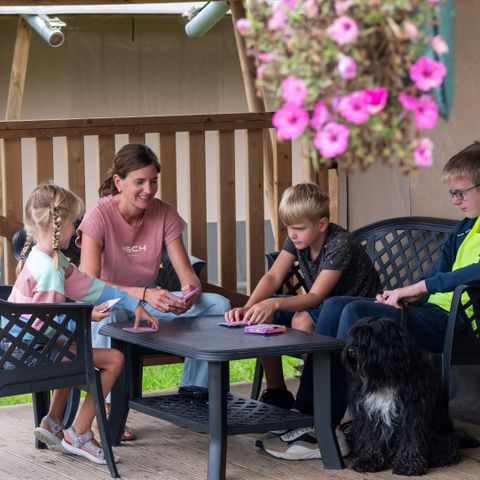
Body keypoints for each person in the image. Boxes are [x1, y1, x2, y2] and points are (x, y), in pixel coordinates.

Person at [261, 141, 480, 461]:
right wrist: (400, 300)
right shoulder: (462, 230)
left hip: (456, 323)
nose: (456, 201)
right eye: (453, 194)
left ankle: (326, 426)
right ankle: (309, 415)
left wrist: (416, 288)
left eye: (462, 192)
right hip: (430, 313)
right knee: (337, 306)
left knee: (353, 310)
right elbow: (435, 278)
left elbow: (468, 273)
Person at [76, 143, 230, 435]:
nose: (149, 189)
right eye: (140, 182)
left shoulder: (164, 214)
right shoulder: (99, 215)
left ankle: (194, 393)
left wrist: (189, 294)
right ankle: (109, 407)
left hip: (145, 307)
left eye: (153, 181)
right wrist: (143, 293)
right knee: (105, 313)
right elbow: (89, 283)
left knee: (218, 305)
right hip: (109, 303)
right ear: (119, 182)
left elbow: (189, 276)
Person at [7, 182, 159, 465]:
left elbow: (91, 288)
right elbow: (48, 321)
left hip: (22, 349)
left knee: (75, 350)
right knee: (113, 359)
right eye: (74, 222)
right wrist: (86, 315)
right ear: (60, 224)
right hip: (33, 354)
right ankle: (78, 433)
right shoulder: (51, 270)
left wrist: (131, 302)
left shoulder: (45, 259)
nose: (76, 229)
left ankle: (52, 421)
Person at [225, 182, 379, 409]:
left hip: (354, 314)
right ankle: (277, 392)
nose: (292, 234)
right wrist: (249, 307)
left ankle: (315, 398)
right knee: (260, 315)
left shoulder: (340, 244)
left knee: (302, 319)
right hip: (324, 307)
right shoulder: (298, 238)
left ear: (322, 224)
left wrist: (274, 302)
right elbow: (273, 276)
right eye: (288, 228)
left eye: (298, 228)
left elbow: (316, 296)